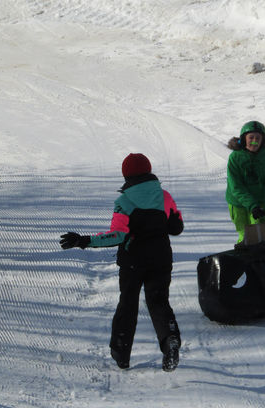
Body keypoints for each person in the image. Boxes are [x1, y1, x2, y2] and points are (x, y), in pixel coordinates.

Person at [59, 153, 183, 372]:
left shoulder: (124, 201)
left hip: (133, 262)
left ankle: (121, 354)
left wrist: (84, 240)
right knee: (159, 302)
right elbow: (176, 227)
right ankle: (170, 339)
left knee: (128, 304)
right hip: (161, 259)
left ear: (126, 174)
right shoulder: (164, 196)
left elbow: (118, 235)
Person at [226, 121, 265, 245]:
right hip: (238, 203)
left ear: (263, 141)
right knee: (246, 236)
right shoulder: (235, 157)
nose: (254, 141)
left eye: (258, 138)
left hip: (259, 203)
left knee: (261, 234)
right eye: (251, 138)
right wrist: (252, 205)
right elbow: (236, 186)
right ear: (244, 139)